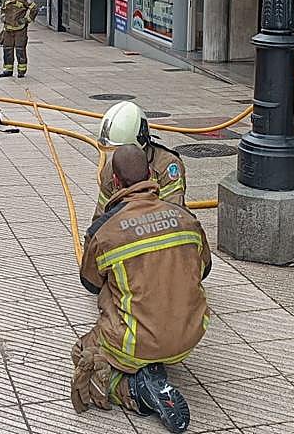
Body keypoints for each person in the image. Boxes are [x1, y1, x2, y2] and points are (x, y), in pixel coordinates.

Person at [72, 145, 211, 433]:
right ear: (151, 173)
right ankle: (155, 361)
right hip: (191, 336)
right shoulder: (186, 218)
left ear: (115, 182)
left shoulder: (104, 230)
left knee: (83, 351)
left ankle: (135, 390)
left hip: (135, 344)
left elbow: (90, 283)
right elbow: (204, 269)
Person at [92, 101, 186, 221]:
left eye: (123, 148)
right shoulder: (111, 169)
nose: (119, 155)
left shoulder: (167, 166)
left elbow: (175, 214)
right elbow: (100, 218)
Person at [0, 0, 38, 78]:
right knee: (7, 50)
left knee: (20, 50)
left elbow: (34, 8)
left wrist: (26, 20)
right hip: (8, 30)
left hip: (20, 30)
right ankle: (8, 70)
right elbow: (3, 9)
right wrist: (3, 17)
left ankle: (21, 71)